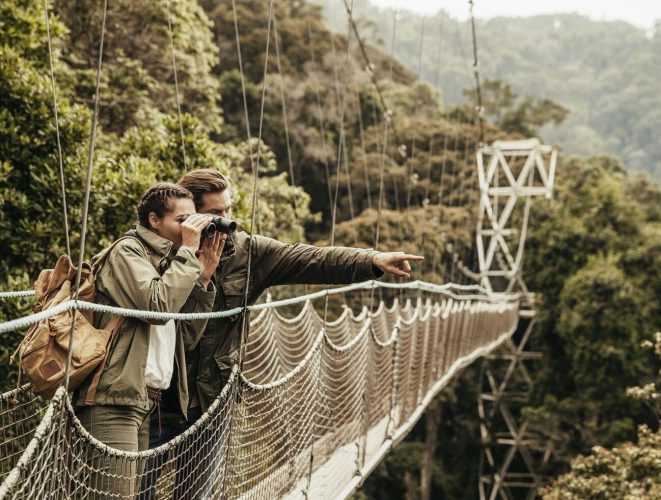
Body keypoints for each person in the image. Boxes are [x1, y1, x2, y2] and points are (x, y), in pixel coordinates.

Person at [146, 169, 423, 497]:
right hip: (158, 401)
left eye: (228, 211)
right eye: (213, 215)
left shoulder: (248, 253)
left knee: (195, 495)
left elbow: (313, 259)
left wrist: (373, 261)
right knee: (137, 491)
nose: (224, 222)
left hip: (212, 399)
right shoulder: (157, 251)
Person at [73, 183, 223, 496]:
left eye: (193, 220)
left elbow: (186, 337)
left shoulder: (170, 262)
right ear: (154, 220)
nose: (189, 229)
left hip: (146, 401)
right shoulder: (127, 251)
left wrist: (203, 280)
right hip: (113, 397)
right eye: (181, 221)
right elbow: (156, 307)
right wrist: (187, 255)